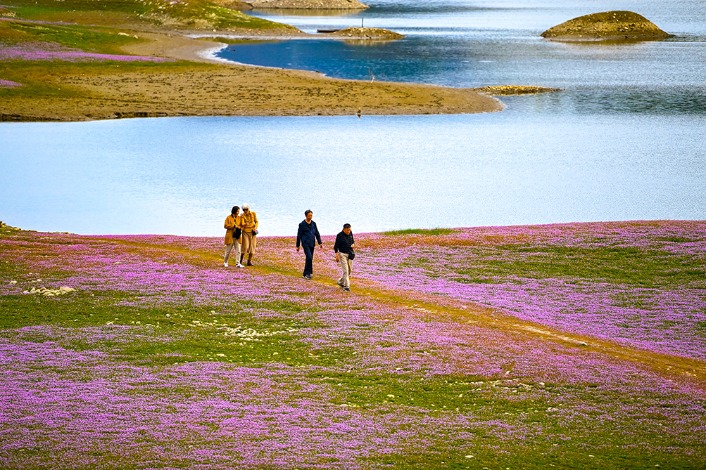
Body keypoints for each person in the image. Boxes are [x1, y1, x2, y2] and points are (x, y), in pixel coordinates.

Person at [296, 210, 323, 279]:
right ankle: (308, 273)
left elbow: (317, 233)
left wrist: (320, 242)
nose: (310, 217)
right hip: (305, 243)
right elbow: (299, 235)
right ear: (306, 216)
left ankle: (305, 273)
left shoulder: (314, 224)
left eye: (311, 215)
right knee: (309, 257)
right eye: (309, 215)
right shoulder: (302, 224)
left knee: (310, 258)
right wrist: (297, 245)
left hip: (312, 243)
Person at [333, 223, 355, 291]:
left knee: (349, 270)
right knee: (345, 270)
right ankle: (346, 286)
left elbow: (353, 241)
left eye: (349, 230)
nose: (349, 231)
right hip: (342, 254)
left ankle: (340, 281)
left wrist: (353, 244)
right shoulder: (339, 235)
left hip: (350, 254)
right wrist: (337, 255)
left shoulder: (350, 233)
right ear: (344, 229)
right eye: (347, 230)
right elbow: (336, 246)